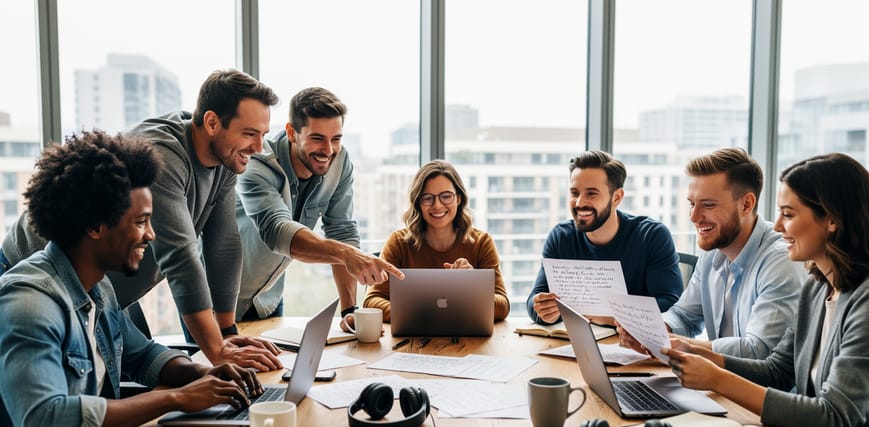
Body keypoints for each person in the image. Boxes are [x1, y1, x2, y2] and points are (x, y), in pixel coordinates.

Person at [0, 130, 262, 427]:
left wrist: (203, 373)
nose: (151, 235)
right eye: (141, 222)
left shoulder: (97, 286)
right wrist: (176, 398)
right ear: (94, 227)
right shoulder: (31, 303)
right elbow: (43, 423)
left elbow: (143, 354)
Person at [0, 69, 283, 371]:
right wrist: (217, 351)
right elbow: (181, 257)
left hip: (102, 292)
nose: (258, 147)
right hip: (36, 276)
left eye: (263, 135)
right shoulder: (161, 156)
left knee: (141, 368)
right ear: (212, 122)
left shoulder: (225, 157)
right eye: (249, 134)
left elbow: (223, 244)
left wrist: (227, 334)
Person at [663, 153, 869, 427]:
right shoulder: (818, 285)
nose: (776, 227)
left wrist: (716, 379)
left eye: (788, 215)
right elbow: (777, 369)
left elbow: (835, 418)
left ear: (831, 219)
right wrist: (697, 353)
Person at [235, 87, 402, 328]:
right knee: (218, 365)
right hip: (216, 300)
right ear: (292, 132)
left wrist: (349, 310)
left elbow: (341, 231)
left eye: (336, 139)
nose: (329, 150)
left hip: (267, 298)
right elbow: (278, 231)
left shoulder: (340, 161)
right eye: (317, 138)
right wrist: (348, 255)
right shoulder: (257, 162)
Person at [619, 148, 803, 358]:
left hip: (756, 388)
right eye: (691, 204)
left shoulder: (781, 260)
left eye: (708, 205)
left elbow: (759, 351)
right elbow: (684, 316)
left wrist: (674, 345)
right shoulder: (712, 251)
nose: (694, 216)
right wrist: (652, 331)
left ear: (746, 204)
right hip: (717, 383)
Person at [527, 150, 683, 325]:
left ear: (616, 197)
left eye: (591, 193)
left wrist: (615, 317)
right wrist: (543, 310)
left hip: (634, 345)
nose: (579, 203)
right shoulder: (560, 237)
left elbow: (671, 305)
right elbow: (535, 299)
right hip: (577, 342)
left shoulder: (652, 236)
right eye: (574, 193)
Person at [363, 160, 509, 321]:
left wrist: (470, 287)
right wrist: (417, 313)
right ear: (418, 202)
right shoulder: (399, 243)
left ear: (458, 198)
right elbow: (371, 302)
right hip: (413, 339)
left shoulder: (482, 243)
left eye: (446, 196)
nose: (437, 205)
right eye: (427, 198)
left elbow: (502, 306)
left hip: (468, 341)